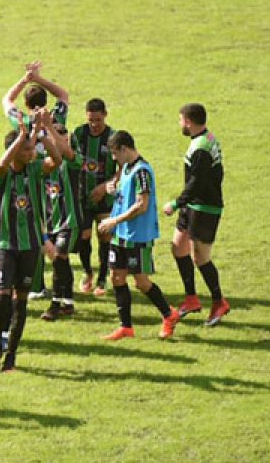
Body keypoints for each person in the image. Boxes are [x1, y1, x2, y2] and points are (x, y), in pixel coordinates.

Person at [0, 112, 62, 373]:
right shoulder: (3, 174)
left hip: (30, 246)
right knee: (0, 296)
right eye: (27, 149)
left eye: (32, 149)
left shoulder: (35, 168)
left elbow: (57, 159)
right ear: (15, 150)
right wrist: (19, 139)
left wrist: (42, 133)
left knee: (21, 301)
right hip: (6, 244)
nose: (32, 153)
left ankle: (11, 356)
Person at [98, 131, 181, 341]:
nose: (114, 158)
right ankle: (126, 327)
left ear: (125, 149)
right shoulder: (126, 167)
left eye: (116, 153)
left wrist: (114, 220)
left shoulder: (142, 172)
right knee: (116, 277)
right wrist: (112, 189)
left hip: (137, 235)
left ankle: (169, 315)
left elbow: (141, 206)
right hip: (121, 235)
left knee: (141, 282)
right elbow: (125, 195)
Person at [2, 61, 71, 300]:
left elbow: (6, 100)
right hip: (55, 177)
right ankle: (52, 283)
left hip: (32, 179)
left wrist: (25, 79)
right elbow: (63, 94)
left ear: (27, 104)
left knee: (34, 228)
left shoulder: (21, 120)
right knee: (50, 228)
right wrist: (39, 79)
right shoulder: (54, 116)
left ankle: (37, 284)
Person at [163, 103, 230, 325]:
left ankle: (219, 302)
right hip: (192, 207)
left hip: (204, 208)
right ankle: (191, 298)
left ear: (189, 122)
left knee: (200, 257)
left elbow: (197, 183)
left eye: (181, 120)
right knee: (178, 247)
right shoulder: (205, 138)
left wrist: (175, 203)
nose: (180, 124)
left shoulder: (201, 147)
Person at [40, 123, 84, 321]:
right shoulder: (44, 165)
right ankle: (69, 301)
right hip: (50, 222)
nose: (61, 144)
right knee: (61, 262)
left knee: (58, 257)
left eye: (64, 140)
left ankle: (55, 304)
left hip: (70, 220)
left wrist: (49, 126)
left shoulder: (73, 162)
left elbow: (67, 151)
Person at [73, 98, 116, 296]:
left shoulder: (113, 137)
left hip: (105, 197)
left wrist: (105, 187)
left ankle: (102, 278)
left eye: (98, 120)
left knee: (104, 235)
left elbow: (124, 168)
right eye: (91, 120)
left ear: (105, 115)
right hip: (82, 196)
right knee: (84, 236)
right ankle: (87, 272)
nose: (94, 125)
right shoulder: (78, 134)